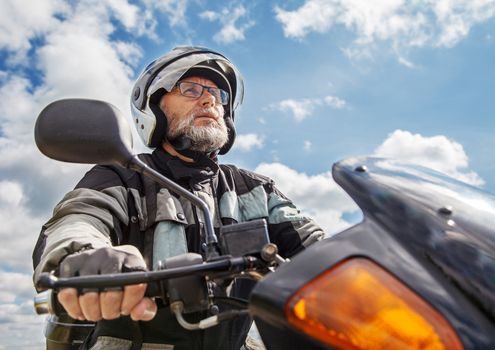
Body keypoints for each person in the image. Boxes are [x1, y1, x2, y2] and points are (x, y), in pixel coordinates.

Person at [33, 46, 324, 350]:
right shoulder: (122, 176)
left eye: (218, 94)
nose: (210, 99)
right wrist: (84, 255)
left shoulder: (255, 189)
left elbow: (316, 243)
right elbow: (78, 219)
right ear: (155, 107)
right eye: (191, 88)